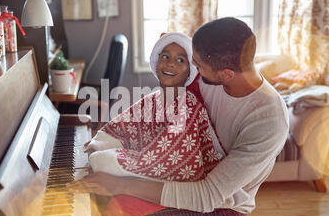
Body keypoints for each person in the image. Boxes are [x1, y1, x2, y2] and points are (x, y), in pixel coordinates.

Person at [67, 17, 289, 216]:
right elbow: (165, 100)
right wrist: (114, 137)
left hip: (221, 208)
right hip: (185, 177)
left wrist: (120, 184)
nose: (194, 69)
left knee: (114, 212)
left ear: (226, 74)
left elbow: (208, 195)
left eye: (199, 65)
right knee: (99, 192)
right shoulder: (214, 75)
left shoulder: (268, 119)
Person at [85, 32, 226, 182]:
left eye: (180, 60)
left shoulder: (189, 108)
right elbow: (123, 125)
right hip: (150, 158)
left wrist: (104, 159)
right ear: (156, 62)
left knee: (102, 162)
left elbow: (168, 158)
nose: (170, 63)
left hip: (175, 171)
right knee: (97, 156)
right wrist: (100, 143)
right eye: (165, 57)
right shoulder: (153, 98)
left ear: (189, 72)